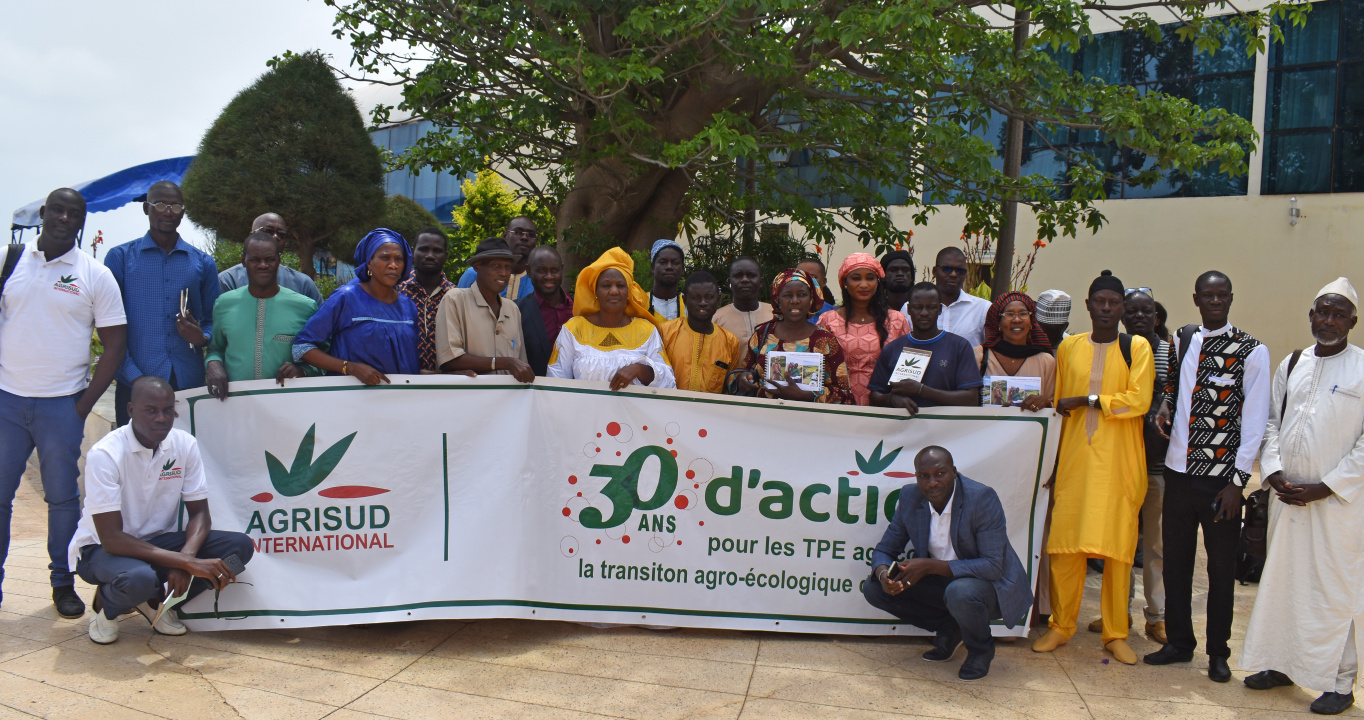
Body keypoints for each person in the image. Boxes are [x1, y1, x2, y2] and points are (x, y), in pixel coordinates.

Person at [0, 188, 127, 619]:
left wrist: (83, 404)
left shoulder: (94, 274)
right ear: (43, 214)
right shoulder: (8, 259)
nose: (64, 217)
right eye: (58, 209)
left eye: (74, 213)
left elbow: (114, 345)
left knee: (63, 500)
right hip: (7, 403)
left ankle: (62, 583)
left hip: (62, 406)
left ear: (81, 221)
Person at [1240, 278, 1363, 716]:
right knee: (1282, 583)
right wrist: (1273, 474)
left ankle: (1339, 682)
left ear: (1352, 321)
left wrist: (1325, 486)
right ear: (1311, 315)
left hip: (1339, 506)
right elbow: (1271, 421)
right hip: (1287, 499)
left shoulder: (1363, 369)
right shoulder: (1292, 363)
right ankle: (1279, 665)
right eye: (1322, 312)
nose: (1328, 320)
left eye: (1338, 314)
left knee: (1336, 592)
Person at [1144, 272, 1270, 682]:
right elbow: (1174, 386)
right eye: (1207, 295)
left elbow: (1254, 423)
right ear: (1195, 299)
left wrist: (1238, 483)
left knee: (1219, 572)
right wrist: (1164, 404)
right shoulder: (1184, 339)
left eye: (1222, 295)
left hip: (1221, 485)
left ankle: (1219, 653)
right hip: (1178, 475)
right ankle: (1179, 643)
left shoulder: (1252, 350)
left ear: (1231, 298)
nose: (1215, 301)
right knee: (1176, 566)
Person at [70, 376, 253, 644]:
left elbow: (200, 514)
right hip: (102, 549)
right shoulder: (106, 454)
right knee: (137, 578)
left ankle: (159, 602)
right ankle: (105, 608)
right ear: (131, 410)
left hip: (158, 543)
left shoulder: (183, 444)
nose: (161, 418)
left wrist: (186, 558)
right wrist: (184, 562)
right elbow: (111, 537)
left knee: (239, 547)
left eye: (168, 410)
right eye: (151, 410)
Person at [1032, 270, 1153, 666]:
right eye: (1099, 302)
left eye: (1113, 303)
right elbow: (1060, 406)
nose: (1105, 308)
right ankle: (1061, 625)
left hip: (1118, 465)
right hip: (1075, 462)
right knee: (1065, 547)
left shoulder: (1137, 347)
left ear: (1121, 308)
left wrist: (1090, 399)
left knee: (1117, 551)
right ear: (1087, 306)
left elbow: (1138, 401)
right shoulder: (1069, 349)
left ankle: (1115, 633)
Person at [864, 446, 1033, 681]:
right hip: (945, 582)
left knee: (960, 592)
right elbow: (885, 550)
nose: (932, 482)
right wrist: (884, 576)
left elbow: (993, 565)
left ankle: (980, 651)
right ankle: (950, 628)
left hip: (990, 586)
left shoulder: (981, 498)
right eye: (924, 476)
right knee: (873, 589)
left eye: (940, 474)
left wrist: (931, 566)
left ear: (954, 472)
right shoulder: (910, 497)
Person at [104, 180, 220, 425]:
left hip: (187, 382)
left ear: (183, 212)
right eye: (160, 204)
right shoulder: (121, 258)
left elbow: (213, 320)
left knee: (184, 456)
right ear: (147, 209)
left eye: (176, 206)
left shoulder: (202, 263)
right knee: (135, 456)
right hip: (134, 380)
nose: (168, 212)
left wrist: (202, 337)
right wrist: (135, 378)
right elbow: (109, 326)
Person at [1095, 289, 1168, 645]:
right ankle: (1116, 612)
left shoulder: (1172, 352)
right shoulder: (1117, 349)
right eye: (1133, 311)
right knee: (1116, 541)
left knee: (1154, 547)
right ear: (1124, 315)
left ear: (1157, 315)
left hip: (1156, 464)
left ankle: (1157, 617)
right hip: (1118, 460)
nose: (1139, 316)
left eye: (1147, 310)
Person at [294, 229, 420, 384]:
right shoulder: (345, 298)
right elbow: (302, 347)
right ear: (369, 263)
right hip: (353, 400)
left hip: (401, 400)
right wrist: (350, 367)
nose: (393, 265)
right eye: (385, 258)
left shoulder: (408, 306)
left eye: (398, 259)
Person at [204, 233, 319, 400]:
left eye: (269, 259)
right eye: (255, 260)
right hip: (235, 404)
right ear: (243, 260)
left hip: (288, 405)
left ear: (279, 260)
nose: (263, 265)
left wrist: (304, 370)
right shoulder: (224, 304)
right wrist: (213, 364)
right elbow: (216, 348)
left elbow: (322, 353)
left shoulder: (305, 307)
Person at [547, 248, 675, 390]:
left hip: (632, 412)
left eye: (620, 285)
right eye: (606, 285)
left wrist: (639, 369)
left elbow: (668, 382)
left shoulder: (646, 330)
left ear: (629, 292)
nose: (614, 291)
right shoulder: (574, 329)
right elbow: (555, 380)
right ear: (595, 292)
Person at [735, 269, 852, 404]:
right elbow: (743, 371)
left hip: (810, 421)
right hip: (763, 419)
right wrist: (742, 378)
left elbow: (844, 394)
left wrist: (808, 395)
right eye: (787, 295)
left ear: (811, 299)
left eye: (802, 294)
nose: (795, 301)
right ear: (777, 299)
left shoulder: (825, 340)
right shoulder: (763, 334)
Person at [868, 283, 982, 415]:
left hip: (947, 431)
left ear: (939, 309)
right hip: (902, 430)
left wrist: (922, 390)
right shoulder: (893, 349)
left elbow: (971, 400)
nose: (924, 313)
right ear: (909, 309)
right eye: (918, 307)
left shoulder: (959, 347)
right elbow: (874, 397)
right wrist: (891, 400)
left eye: (931, 307)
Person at [818, 253, 911, 405]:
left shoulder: (897, 320)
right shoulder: (828, 321)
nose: (864, 284)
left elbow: (906, 367)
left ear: (878, 282)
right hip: (839, 406)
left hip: (886, 405)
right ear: (845, 283)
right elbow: (819, 368)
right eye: (856, 278)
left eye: (870, 278)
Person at [436, 238, 532, 382]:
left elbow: (521, 363)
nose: (504, 273)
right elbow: (449, 359)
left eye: (507, 267)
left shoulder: (512, 309)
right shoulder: (455, 300)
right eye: (496, 266)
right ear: (477, 266)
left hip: (509, 400)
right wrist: (504, 363)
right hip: (471, 398)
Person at [659, 271, 742, 393]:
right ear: (685, 300)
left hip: (709, 411)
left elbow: (730, 387)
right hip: (669, 408)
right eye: (696, 297)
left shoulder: (730, 341)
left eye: (709, 297)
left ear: (718, 299)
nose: (703, 302)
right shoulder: (665, 332)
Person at [972, 291, 1055, 410]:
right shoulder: (979, 355)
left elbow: (1053, 408)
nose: (1017, 319)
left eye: (1023, 313)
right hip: (985, 428)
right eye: (1009, 314)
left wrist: (1046, 403)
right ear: (998, 323)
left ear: (1031, 322)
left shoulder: (1046, 362)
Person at [217, 213, 323, 304]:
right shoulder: (228, 281)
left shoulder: (303, 284)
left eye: (282, 234)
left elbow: (320, 323)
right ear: (251, 235)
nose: (276, 236)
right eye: (268, 230)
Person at [901, 247, 990, 348]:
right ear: (935, 271)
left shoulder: (982, 309)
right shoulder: (911, 308)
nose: (953, 274)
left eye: (960, 271)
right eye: (947, 269)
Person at [396, 227, 456, 372]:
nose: (430, 255)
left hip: (445, 384)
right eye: (423, 249)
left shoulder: (456, 296)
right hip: (401, 382)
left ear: (446, 255)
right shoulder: (395, 291)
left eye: (437, 251)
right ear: (412, 252)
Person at [516, 246, 572, 376]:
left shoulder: (580, 308)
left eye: (554, 270)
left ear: (562, 270)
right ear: (529, 271)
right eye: (541, 270)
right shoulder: (517, 310)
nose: (549, 276)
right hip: (533, 391)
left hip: (575, 392)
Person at [456, 216, 539, 299]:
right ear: (505, 235)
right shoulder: (475, 273)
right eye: (517, 232)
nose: (524, 238)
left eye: (531, 235)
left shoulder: (538, 279)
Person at [713, 256, 773, 344]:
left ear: (761, 282)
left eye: (751, 275)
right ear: (729, 283)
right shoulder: (716, 320)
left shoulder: (775, 315)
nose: (745, 280)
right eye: (738, 276)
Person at [648, 239, 686, 322]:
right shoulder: (640, 303)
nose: (669, 267)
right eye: (663, 262)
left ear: (682, 269)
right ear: (652, 267)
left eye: (675, 263)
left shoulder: (689, 305)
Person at [797, 255, 837, 323]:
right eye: (801, 276)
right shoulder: (785, 311)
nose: (806, 281)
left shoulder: (834, 315)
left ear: (823, 282)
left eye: (813, 277)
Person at [880, 249, 916, 314]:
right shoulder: (875, 310)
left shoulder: (920, 309)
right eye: (893, 270)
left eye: (905, 270)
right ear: (883, 276)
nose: (900, 273)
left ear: (911, 277)